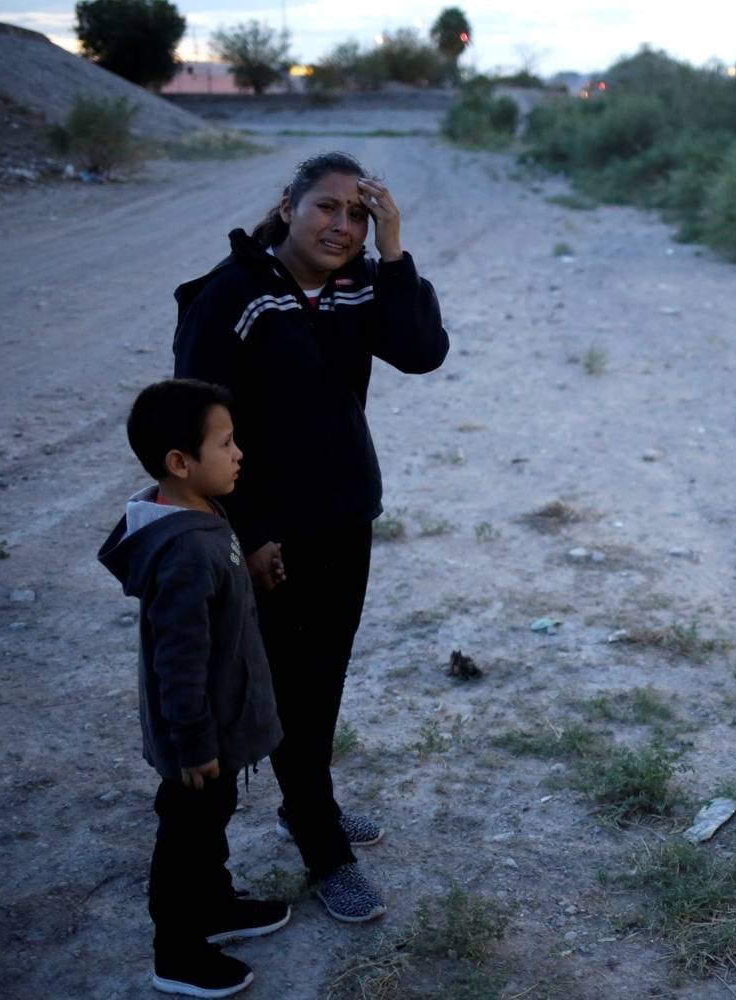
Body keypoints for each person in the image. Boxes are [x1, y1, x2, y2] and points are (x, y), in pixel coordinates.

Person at [173, 151, 449, 922]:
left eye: (358, 214)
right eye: (326, 208)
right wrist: (251, 532)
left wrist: (392, 251)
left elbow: (424, 352)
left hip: (343, 517)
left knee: (320, 677)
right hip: (267, 534)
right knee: (263, 691)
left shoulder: (361, 283)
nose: (342, 226)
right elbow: (195, 423)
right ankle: (314, 851)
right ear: (287, 206)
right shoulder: (235, 294)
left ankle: (308, 804)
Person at [98, 378, 290, 997]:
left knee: (214, 818)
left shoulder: (202, 512)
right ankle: (176, 952)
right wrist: (192, 742)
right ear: (180, 463)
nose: (240, 454)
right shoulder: (183, 553)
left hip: (217, 723)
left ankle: (213, 906)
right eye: (226, 443)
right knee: (186, 832)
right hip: (197, 734)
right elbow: (179, 662)